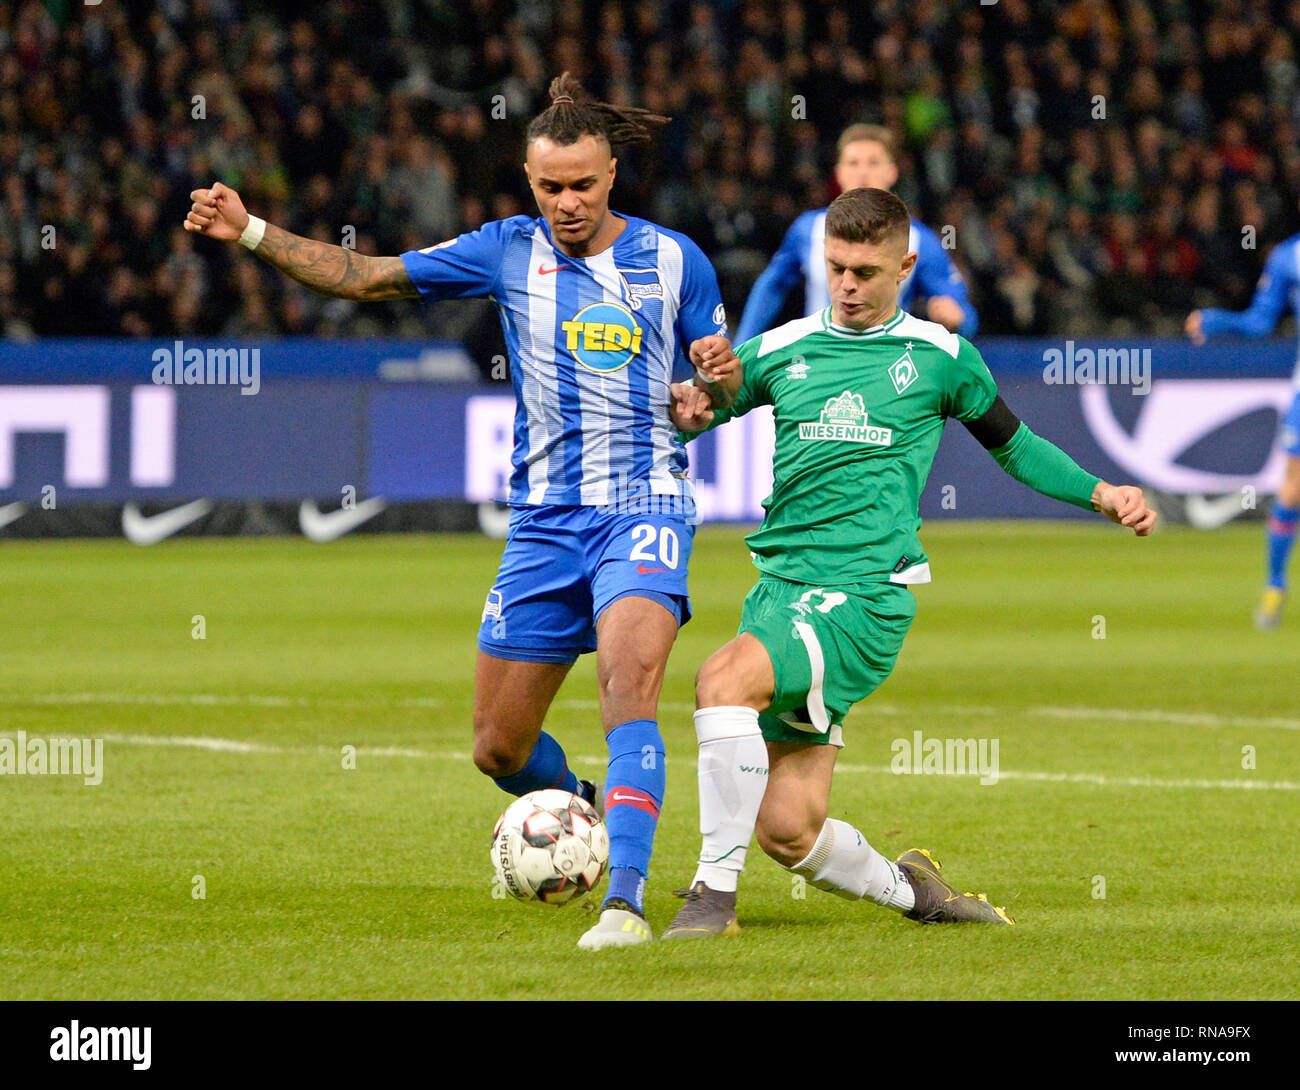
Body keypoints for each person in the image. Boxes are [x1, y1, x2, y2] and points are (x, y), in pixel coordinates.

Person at [183, 73, 737, 950]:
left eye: (583, 185)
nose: (567, 203)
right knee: (498, 749)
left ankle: (626, 903)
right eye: (550, 187)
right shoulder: (505, 250)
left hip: (644, 501)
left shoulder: (676, 260)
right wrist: (249, 229)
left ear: (612, 173)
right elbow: (364, 277)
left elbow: (713, 375)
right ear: (528, 179)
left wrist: (709, 384)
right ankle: (593, 816)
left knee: (627, 688)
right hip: (545, 520)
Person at [662, 188, 1155, 939]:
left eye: (865, 270)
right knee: (789, 829)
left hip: (861, 599)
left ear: (907, 265)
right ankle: (917, 895)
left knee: (721, 680)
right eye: (836, 268)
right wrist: (691, 405)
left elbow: (1015, 446)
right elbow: (697, 411)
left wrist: (1101, 492)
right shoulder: (782, 348)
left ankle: (710, 900)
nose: (849, 286)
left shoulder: (940, 357)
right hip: (778, 594)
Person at [735, 124, 977, 344]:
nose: (863, 172)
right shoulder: (807, 229)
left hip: (885, 368)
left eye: (873, 163)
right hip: (817, 364)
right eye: (853, 163)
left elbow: (962, 312)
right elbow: (771, 286)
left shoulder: (918, 239)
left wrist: (957, 320)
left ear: (892, 172)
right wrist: (741, 347)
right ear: (838, 172)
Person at [1185, 231, 1300, 629]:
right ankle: (1274, 586)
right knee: (1293, 489)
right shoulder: (1288, 257)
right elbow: (1259, 322)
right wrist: (1216, 320)